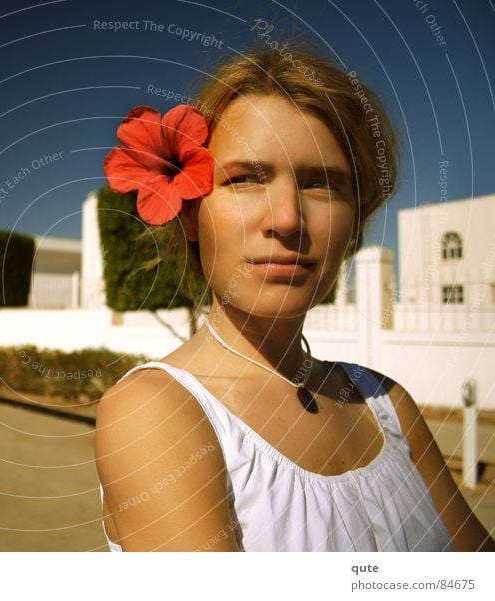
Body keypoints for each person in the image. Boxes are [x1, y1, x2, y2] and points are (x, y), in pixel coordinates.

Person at [95, 48, 495, 552]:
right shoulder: (156, 413)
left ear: (355, 224)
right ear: (190, 216)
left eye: (323, 185)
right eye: (244, 179)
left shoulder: (386, 403)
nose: (286, 219)